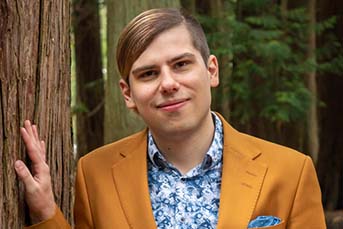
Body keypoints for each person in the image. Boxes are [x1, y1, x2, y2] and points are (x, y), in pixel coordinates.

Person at [15, 8, 326, 229]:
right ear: (128, 94)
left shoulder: (290, 173)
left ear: (211, 70)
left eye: (181, 65)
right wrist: (44, 212)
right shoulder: (95, 174)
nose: (168, 83)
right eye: (149, 73)